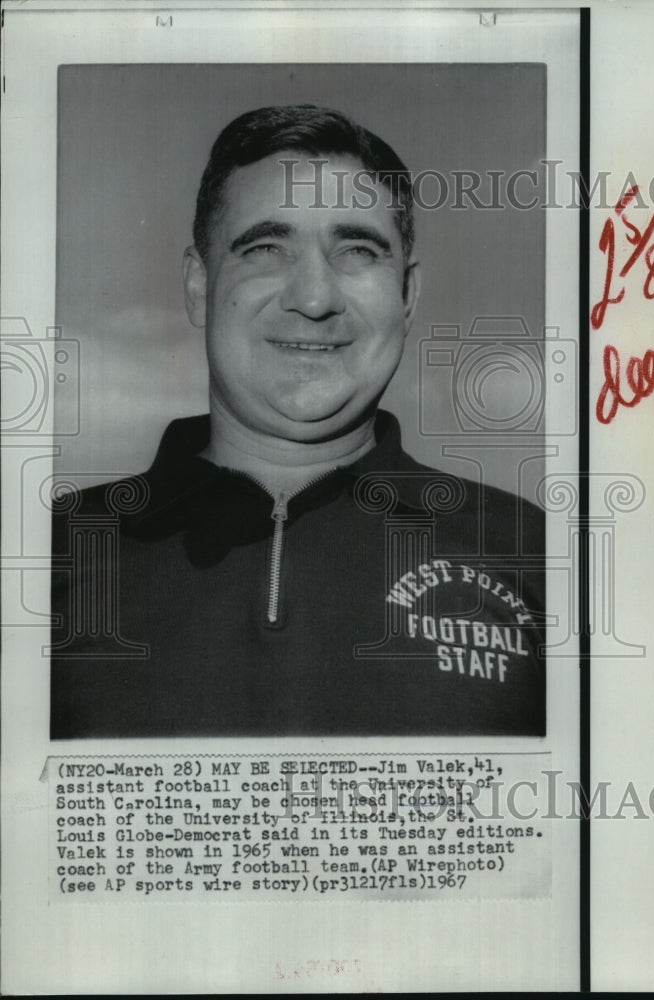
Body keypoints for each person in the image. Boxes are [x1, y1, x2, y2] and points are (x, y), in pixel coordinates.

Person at [50, 104, 545, 739]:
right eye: (265, 248)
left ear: (408, 296)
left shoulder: (538, 556)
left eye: (358, 250)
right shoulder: (47, 561)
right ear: (199, 287)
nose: (314, 299)